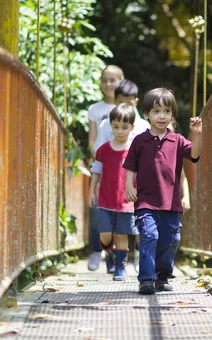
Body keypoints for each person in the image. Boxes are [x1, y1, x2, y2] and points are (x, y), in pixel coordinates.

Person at [123, 88, 203, 295]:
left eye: (167, 111)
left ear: (172, 115)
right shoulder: (140, 141)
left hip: (171, 202)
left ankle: (162, 275)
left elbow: (194, 154)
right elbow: (130, 165)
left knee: (171, 240)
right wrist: (128, 185)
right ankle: (147, 279)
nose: (162, 116)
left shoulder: (177, 140)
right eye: (156, 111)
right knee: (149, 235)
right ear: (146, 114)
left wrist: (196, 133)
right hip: (146, 200)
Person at [92, 79, 150, 272]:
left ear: (135, 101)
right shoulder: (105, 127)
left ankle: (128, 264)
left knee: (127, 228)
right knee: (108, 231)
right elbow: (97, 157)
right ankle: (110, 252)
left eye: (129, 101)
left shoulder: (143, 127)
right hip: (109, 187)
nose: (119, 130)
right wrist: (95, 186)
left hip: (133, 188)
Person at [88, 103, 138, 281]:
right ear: (110, 125)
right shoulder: (104, 150)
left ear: (132, 127)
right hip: (106, 199)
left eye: (125, 127)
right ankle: (109, 253)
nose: (120, 130)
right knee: (106, 234)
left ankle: (120, 267)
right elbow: (96, 170)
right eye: (116, 126)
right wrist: (92, 191)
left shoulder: (134, 150)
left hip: (126, 201)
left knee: (122, 234)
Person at [86, 65, 124, 272]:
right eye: (105, 80)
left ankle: (116, 257)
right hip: (103, 165)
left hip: (123, 167)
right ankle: (96, 249)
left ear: (121, 80)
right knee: (99, 209)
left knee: (123, 212)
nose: (108, 84)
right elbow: (93, 140)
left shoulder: (127, 108)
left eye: (113, 80)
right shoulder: (95, 110)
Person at [168, 118, 190, 213]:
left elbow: (182, 177)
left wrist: (186, 196)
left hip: (171, 203)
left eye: (168, 132)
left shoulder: (175, 154)